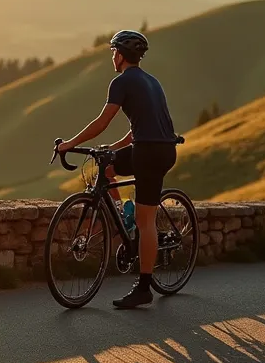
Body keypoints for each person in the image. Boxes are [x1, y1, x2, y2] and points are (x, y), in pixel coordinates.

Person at [56, 30, 177, 309]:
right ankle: (127, 216)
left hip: (149, 153)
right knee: (108, 163)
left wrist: (70, 144)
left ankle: (144, 287)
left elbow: (102, 121)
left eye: (113, 52)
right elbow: (142, 128)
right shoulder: (152, 81)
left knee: (148, 222)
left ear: (121, 55)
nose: (112, 56)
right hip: (158, 148)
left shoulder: (121, 82)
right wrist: (114, 147)